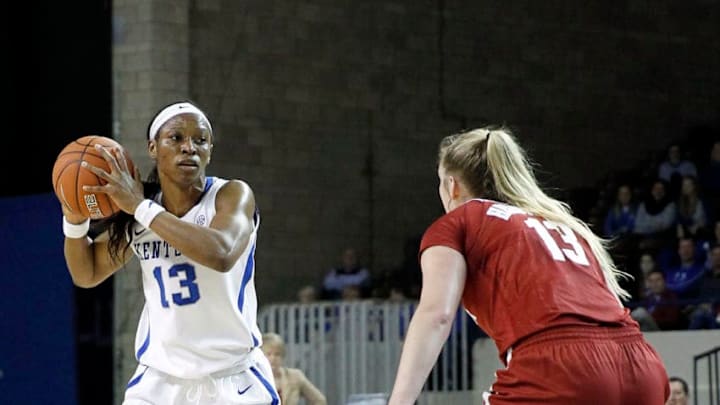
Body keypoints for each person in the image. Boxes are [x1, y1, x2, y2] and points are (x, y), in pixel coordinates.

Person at [387, 127, 669, 405]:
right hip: (640, 366)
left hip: (562, 370)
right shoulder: (559, 223)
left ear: (452, 185)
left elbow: (437, 314)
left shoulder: (459, 222)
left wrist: (399, 401)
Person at [58, 101, 280, 405]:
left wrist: (140, 207)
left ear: (210, 151)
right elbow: (87, 273)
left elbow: (222, 253)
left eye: (200, 140)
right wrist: (74, 220)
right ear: (153, 148)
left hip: (232, 380)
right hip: (160, 382)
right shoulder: (141, 212)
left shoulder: (230, 195)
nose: (189, 147)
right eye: (176, 138)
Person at [261, 332, 327, 405]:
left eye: (277, 354)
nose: (273, 358)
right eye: (268, 354)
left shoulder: (295, 376)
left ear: (283, 356)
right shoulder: (254, 378)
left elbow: (319, 400)